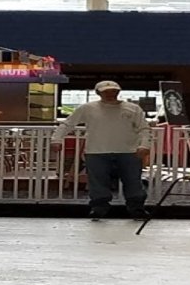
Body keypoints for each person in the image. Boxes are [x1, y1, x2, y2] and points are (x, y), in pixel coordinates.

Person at [51, 80, 152, 220]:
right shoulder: (87, 108)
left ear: (118, 92)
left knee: (133, 181)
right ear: (98, 93)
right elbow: (68, 124)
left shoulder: (133, 108)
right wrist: (56, 139)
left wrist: (144, 145)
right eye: (106, 92)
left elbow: (144, 128)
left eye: (113, 91)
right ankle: (98, 208)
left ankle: (137, 209)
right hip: (96, 151)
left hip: (129, 151)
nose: (110, 94)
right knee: (97, 182)